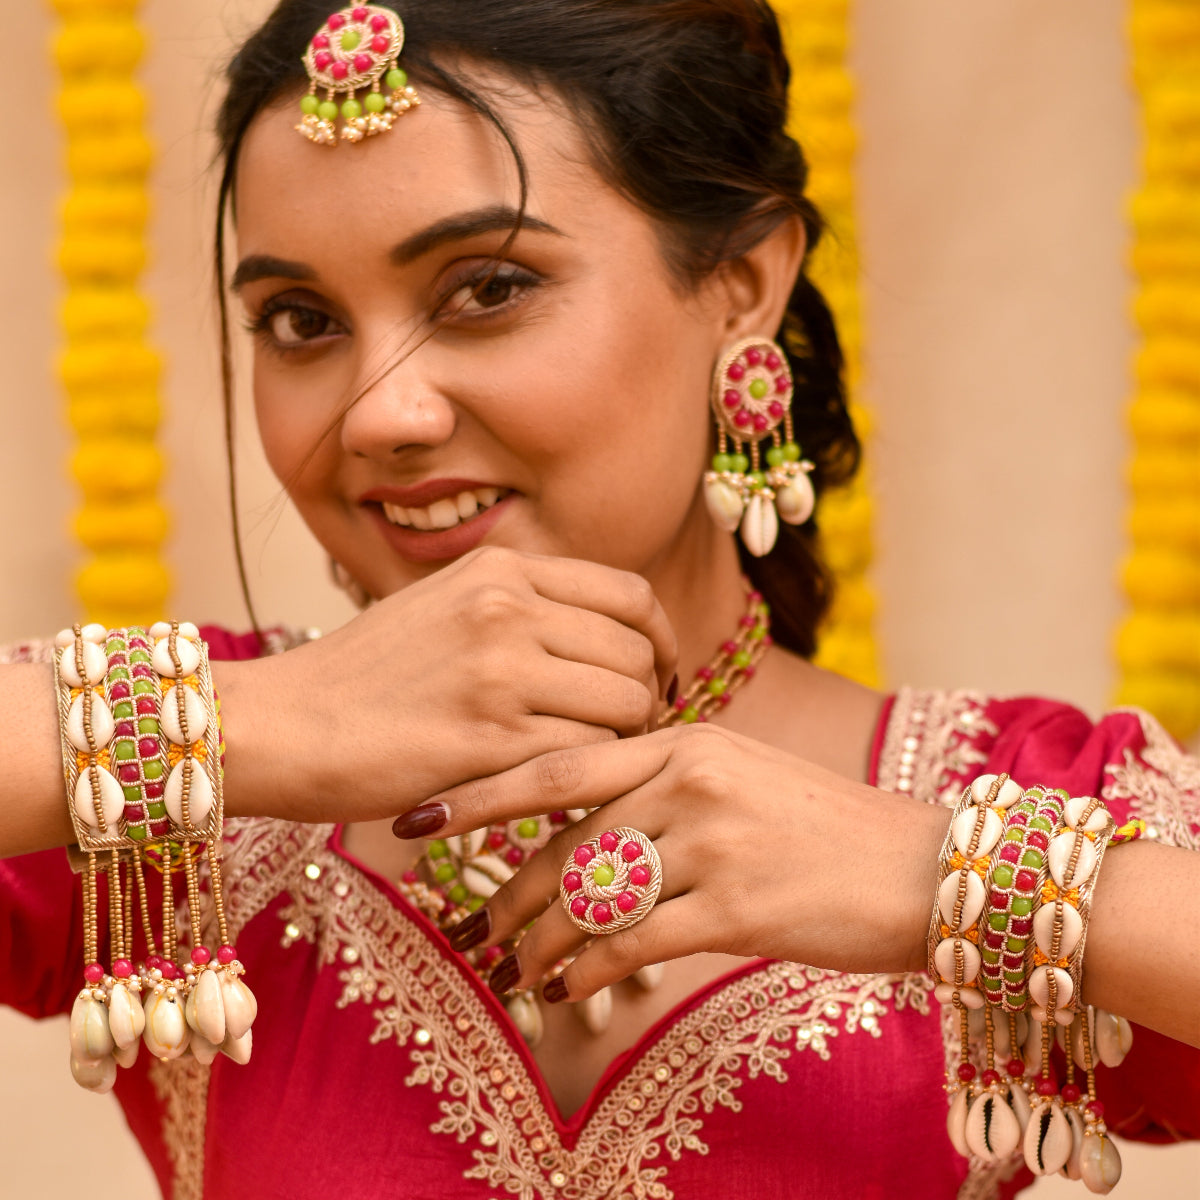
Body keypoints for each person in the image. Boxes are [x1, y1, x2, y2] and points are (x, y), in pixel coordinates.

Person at [1, 1, 1198, 1197]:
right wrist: (252, 729)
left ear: (740, 285)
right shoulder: (167, 793)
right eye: (301, 322)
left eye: (488, 288)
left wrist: (934, 876)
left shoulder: (1014, 795)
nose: (379, 414)